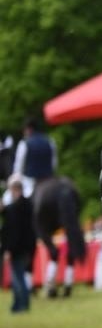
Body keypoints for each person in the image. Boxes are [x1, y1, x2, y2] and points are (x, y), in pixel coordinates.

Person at [2, 175, 33, 312]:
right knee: (19, 276)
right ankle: (19, 304)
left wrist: (8, 249)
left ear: (15, 189)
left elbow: (13, 232)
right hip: (25, 248)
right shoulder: (27, 205)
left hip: (16, 249)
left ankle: (21, 305)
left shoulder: (16, 208)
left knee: (18, 277)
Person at [12, 119, 56, 198]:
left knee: (8, 198)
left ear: (29, 129)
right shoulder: (50, 141)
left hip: (30, 183)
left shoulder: (24, 144)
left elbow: (18, 168)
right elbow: (54, 164)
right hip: (49, 180)